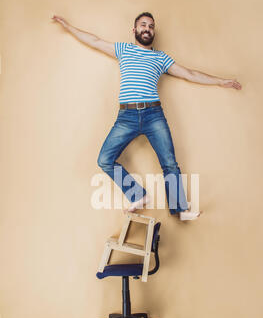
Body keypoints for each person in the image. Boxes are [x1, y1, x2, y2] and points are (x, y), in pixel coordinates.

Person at [51, 12, 242, 220]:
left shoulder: (161, 58)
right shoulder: (123, 50)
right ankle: (137, 195)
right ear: (134, 30)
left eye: (151, 26)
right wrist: (68, 26)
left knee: (169, 163)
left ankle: (180, 210)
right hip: (126, 117)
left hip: (153, 115)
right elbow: (94, 41)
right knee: (105, 159)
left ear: (153, 32)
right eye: (143, 25)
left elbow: (189, 74)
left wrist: (220, 81)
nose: (147, 29)